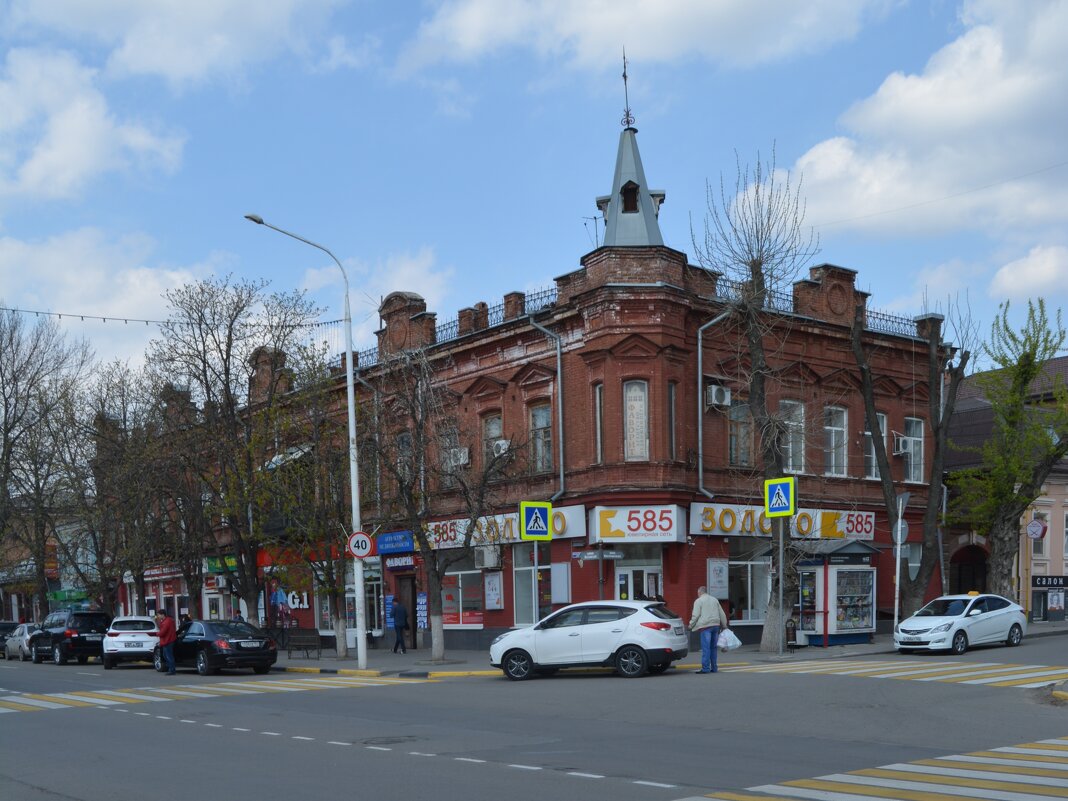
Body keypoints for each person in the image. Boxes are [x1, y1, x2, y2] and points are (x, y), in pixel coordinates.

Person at [689, 586, 729, 674]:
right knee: (713, 648)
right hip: (716, 626)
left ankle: (705, 668)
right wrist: (724, 625)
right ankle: (714, 668)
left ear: (699, 592)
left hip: (705, 627)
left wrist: (690, 625)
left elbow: (695, 615)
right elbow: (721, 613)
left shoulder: (698, 601)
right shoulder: (714, 600)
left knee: (706, 648)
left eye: (698, 593)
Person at [156, 610, 177, 675]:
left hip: (168, 640)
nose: (158, 616)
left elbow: (163, 632)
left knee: (168, 656)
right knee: (166, 655)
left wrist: (157, 633)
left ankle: (172, 669)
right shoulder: (168, 621)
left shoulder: (166, 622)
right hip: (167, 640)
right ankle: (170, 668)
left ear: (163, 615)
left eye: (159, 615)